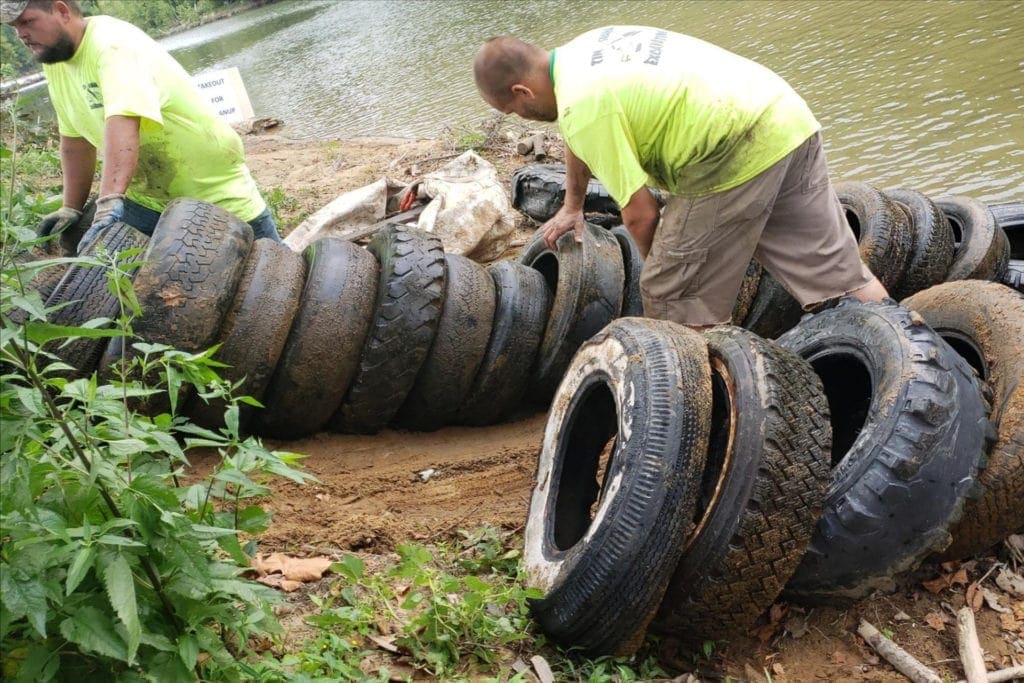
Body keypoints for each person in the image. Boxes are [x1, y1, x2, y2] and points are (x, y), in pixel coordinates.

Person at [474, 26, 888, 328]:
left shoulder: (582, 106)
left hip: (729, 147)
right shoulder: (582, 51)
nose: (522, 117)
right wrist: (573, 205)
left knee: (669, 297)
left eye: (513, 111)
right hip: (783, 117)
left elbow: (641, 215)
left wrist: (665, 273)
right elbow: (576, 135)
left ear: (522, 92)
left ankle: (710, 407)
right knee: (838, 276)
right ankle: (910, 352)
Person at [2, 0, 282, 252]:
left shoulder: (113, 46)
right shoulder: (55, 60)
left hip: (211, 191)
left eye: (27, 22)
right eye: (14, 27)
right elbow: (75, 141)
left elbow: (123, 123)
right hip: (144, 198)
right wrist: (70, 207)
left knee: (269, 272)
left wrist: (107, 204)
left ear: (62, 11)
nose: (21, 35)